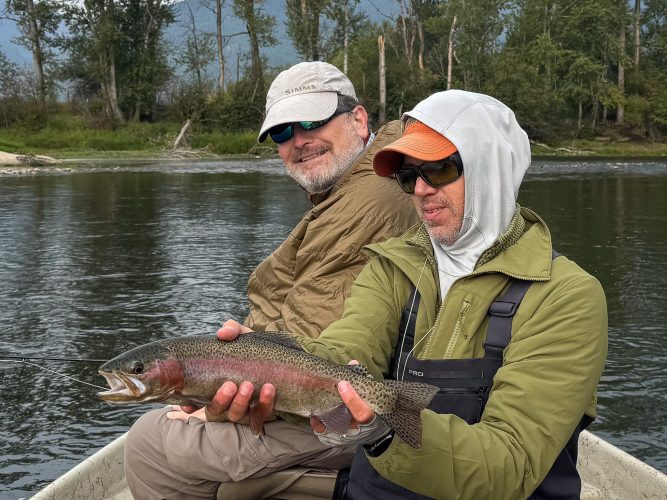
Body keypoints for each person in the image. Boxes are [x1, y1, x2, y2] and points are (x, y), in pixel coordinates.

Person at [220, 90, 609, 499]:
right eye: (409, 177)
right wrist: (254, 363)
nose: (420, 190)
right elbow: (340, 354)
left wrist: (384, 431)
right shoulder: (394, 265)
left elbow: (508, 464)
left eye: (439, 170)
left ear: (490, 168)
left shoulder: (568, 296)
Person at [123, 61, 419, 499]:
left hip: (338, 401)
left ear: (359, 119)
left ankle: (351, 486)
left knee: (149, 445)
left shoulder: (372, 198)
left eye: (313, 121)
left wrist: (223, 403)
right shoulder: (359, 182)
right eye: (282, 133)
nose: (298, 141)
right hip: (320, 384)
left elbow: (310, 340)